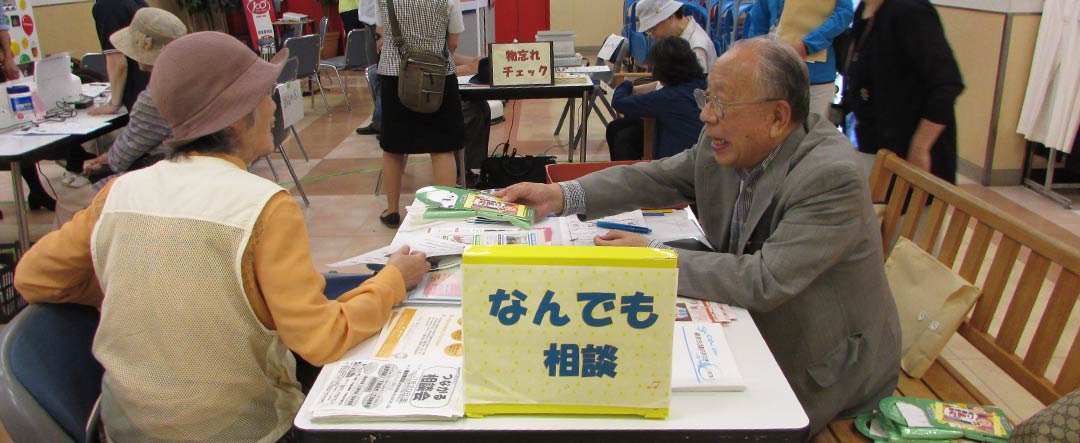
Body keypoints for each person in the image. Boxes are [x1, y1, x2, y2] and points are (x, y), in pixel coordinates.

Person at [14, 31, 431, 442]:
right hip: (242, 429)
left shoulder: (118, 192)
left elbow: (33, 278)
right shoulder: (263, 206)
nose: (273, 107)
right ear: (235, 116)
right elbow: (321, 340)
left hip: (124, 428)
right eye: (265, 94)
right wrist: (393, 279)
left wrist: (137, 287)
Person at [496, 36, 901, 435]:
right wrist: (560, 195)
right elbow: (658, 176)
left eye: (720, 104)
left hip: (817, 358)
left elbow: (764, 280)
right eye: (706, 99)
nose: (706, 116)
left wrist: (654, 252)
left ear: (778, 117)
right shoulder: (725, 137)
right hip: (748, 319)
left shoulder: (829, 176)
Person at [842, 0, 963, 183]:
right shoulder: (865, 10)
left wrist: (920, 147)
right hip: (874, 147)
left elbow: (947, 83)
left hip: (909, 154)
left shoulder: (909, 11)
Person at [373, 0, 466, 228]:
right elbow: (453, 40)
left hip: (395, 73)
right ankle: (443, 210)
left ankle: (393, 210)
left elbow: (381, 32)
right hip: (438, 73)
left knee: (393, 147)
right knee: (442, 147)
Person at [83, 7, 186, 189]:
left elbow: (123, 155)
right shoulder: (195, 79)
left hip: (168, 174)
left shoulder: (155, 96)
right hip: (199, 165)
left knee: (73, 200)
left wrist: (109, 159)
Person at [747, 0, 853, 119]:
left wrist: (807, 45)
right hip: (775, 73)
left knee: (814, 133)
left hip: (816, 76)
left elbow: (845, 13)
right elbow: (758, 23)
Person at [606, 37, 707, 161]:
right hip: (699, 153)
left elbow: (619, 102)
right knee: (618, 127)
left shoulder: (668, 97)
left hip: (677, 164)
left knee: (623, 134)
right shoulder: (702, 82)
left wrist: (627, 84)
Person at [88, 0, 150, 116]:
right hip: (155, 87)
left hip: (138, 96)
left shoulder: (106, 6)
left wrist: (113, 104)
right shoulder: (134, 2)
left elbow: (117, 63)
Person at [635, 0, 716, 72]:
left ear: (670, 17)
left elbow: (694, 88)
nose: (653, 35)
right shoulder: (677, 39)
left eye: (653, 28)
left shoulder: (696, 48)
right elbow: (665, 83)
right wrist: (635, 89)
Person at [355, 0, 382, 135]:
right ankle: (379, 121)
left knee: (384, 75)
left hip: (381, 24)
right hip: (368, 22)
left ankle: (384, 122)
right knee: (373, 74)